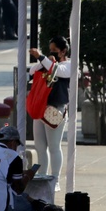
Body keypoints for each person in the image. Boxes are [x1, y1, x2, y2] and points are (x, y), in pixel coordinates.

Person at [29, 38, 72, 190]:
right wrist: (42, 61)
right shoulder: (46, 63)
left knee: (54, 146)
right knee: (40, 146)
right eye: (50, 49)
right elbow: (32, 71)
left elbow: (58, 71)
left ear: (63, 51)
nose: (51, 52)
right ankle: (42, 176)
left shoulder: (69, 65)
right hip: (41, 107)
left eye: (54, 50)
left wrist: (42, 58)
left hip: (55, 109)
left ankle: (55, 179)